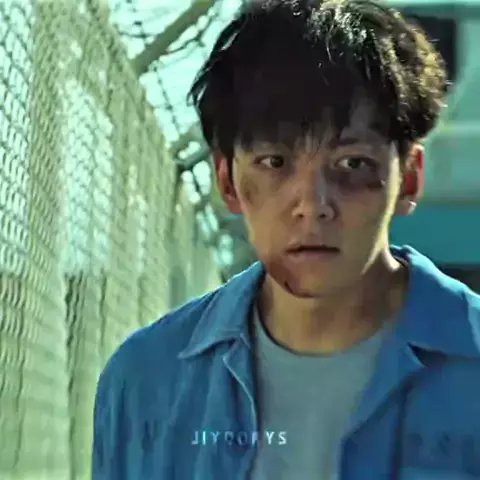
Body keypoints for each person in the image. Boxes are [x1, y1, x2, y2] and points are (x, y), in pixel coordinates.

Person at [92, 0, 480, 478]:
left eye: (353, 164)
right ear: (228, 182)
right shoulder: (146, 381)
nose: (312, 205)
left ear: (410, 178)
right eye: (275, 162)